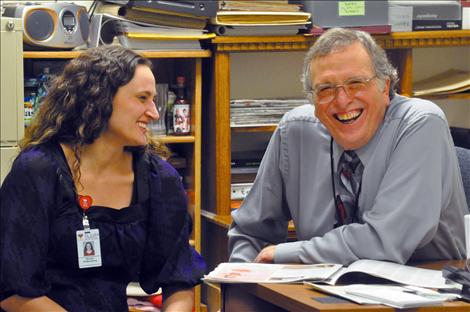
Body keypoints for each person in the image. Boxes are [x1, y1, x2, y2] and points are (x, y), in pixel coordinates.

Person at [228, 28, 467, 266]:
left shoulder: (421, 123)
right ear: (313, 100)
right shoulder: (294, 131)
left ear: (385, 87)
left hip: (424, 294)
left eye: (356, 83)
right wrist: (243, 279)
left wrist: (288, 253)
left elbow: (385, 241)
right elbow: (251, 232)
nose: (342, 101)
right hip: (315, 294)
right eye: (326, 89)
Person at [0, 45, 205, 312]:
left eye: (153, 100)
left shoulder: (158, 178)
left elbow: (178, 279)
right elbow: (14, 293)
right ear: (100, 98)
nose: (154, 113)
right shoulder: (38, 171)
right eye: (142, 98)